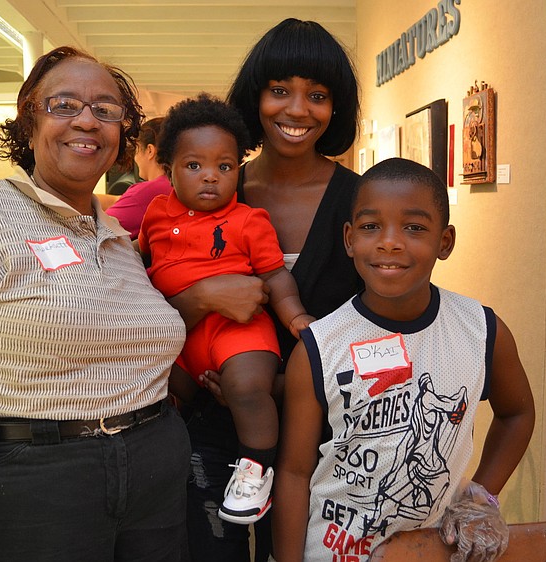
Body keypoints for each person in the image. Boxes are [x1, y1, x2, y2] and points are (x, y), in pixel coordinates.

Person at [0, 46, 190, 562]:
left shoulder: (115, 235)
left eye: (105, 109)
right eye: (63, 105)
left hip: (155, 472)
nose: (86, 121)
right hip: (30, 484)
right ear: (28, 123)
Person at [165, 19, 363, 562]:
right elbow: (149, 310)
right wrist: (203, 297)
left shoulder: (361, 200)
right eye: (280, 91)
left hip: (323, 436)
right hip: (210, 422)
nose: (297, 110)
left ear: (336, 107)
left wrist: (278, 387)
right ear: (256, 97)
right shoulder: (212, 185)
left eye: (317, 96)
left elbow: (375, 324)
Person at [273, 158, 536, 562]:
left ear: (445, 241)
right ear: (348, 239)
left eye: (413, 227)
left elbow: (517, 414)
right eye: (370, 226)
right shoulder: (321, 346)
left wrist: (481, 496)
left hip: (431, 550)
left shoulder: (482, 330)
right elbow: (293, 472)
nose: (390, 242)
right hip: (333, 552)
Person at [138, 94, 312, 526]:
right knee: (151, 390)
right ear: (168, 169)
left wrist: (295, 317)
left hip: (238, 329)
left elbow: (274, 278)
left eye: (225, 166)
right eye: (194, 166)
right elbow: (142, 266)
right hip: (180, 339)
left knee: (247, 388)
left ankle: (256, 468)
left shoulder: (249, 220)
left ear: (239, 168)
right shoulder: (155, 214)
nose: (210, 177)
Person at [105, 117, 173, 239]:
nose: (135, 158)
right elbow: (121, 201)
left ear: (150, 150)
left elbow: (97, 231)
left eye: (137, 149)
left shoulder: (148, 192)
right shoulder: (176, 187)